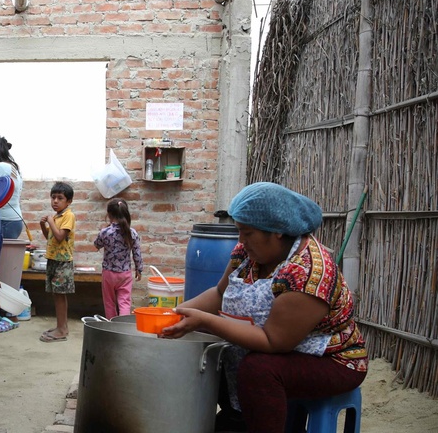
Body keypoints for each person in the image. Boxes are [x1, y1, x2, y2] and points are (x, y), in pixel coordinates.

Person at [161, 182, 368, 433]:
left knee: (258, 369)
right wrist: (169, 317)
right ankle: (236, 418)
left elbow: (274, 342)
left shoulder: (308, 271)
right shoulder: (249, 253)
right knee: (217, 351)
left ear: (277, 231)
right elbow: (218, 293)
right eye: (239, 232)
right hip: (276, 344)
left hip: (332, 360)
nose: (240, 240)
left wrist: (205, 321)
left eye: (247, 233)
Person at [93, 198, 144, 319]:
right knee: (124, 302)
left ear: (109, 214)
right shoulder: (132, 233)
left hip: (108, 273)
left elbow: (96, 244)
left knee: (109, 302)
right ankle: (123, 326)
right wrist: (139, 269)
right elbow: (137, 252)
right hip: (125, 274)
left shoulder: (105, 232)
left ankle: (111, 327)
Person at [38, 181, 76, 342]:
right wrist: (43, 225)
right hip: (53, 259)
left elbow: (60, 237)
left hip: (63, 262)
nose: (55, 201)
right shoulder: (56, 216)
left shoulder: (68, 215)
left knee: (60, 295)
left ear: (68, 201)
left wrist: (51, 223)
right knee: (56, 294)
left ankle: (62, 329)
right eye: (53, 197)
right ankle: (61, 326)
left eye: (60, 198)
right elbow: (50, 238)